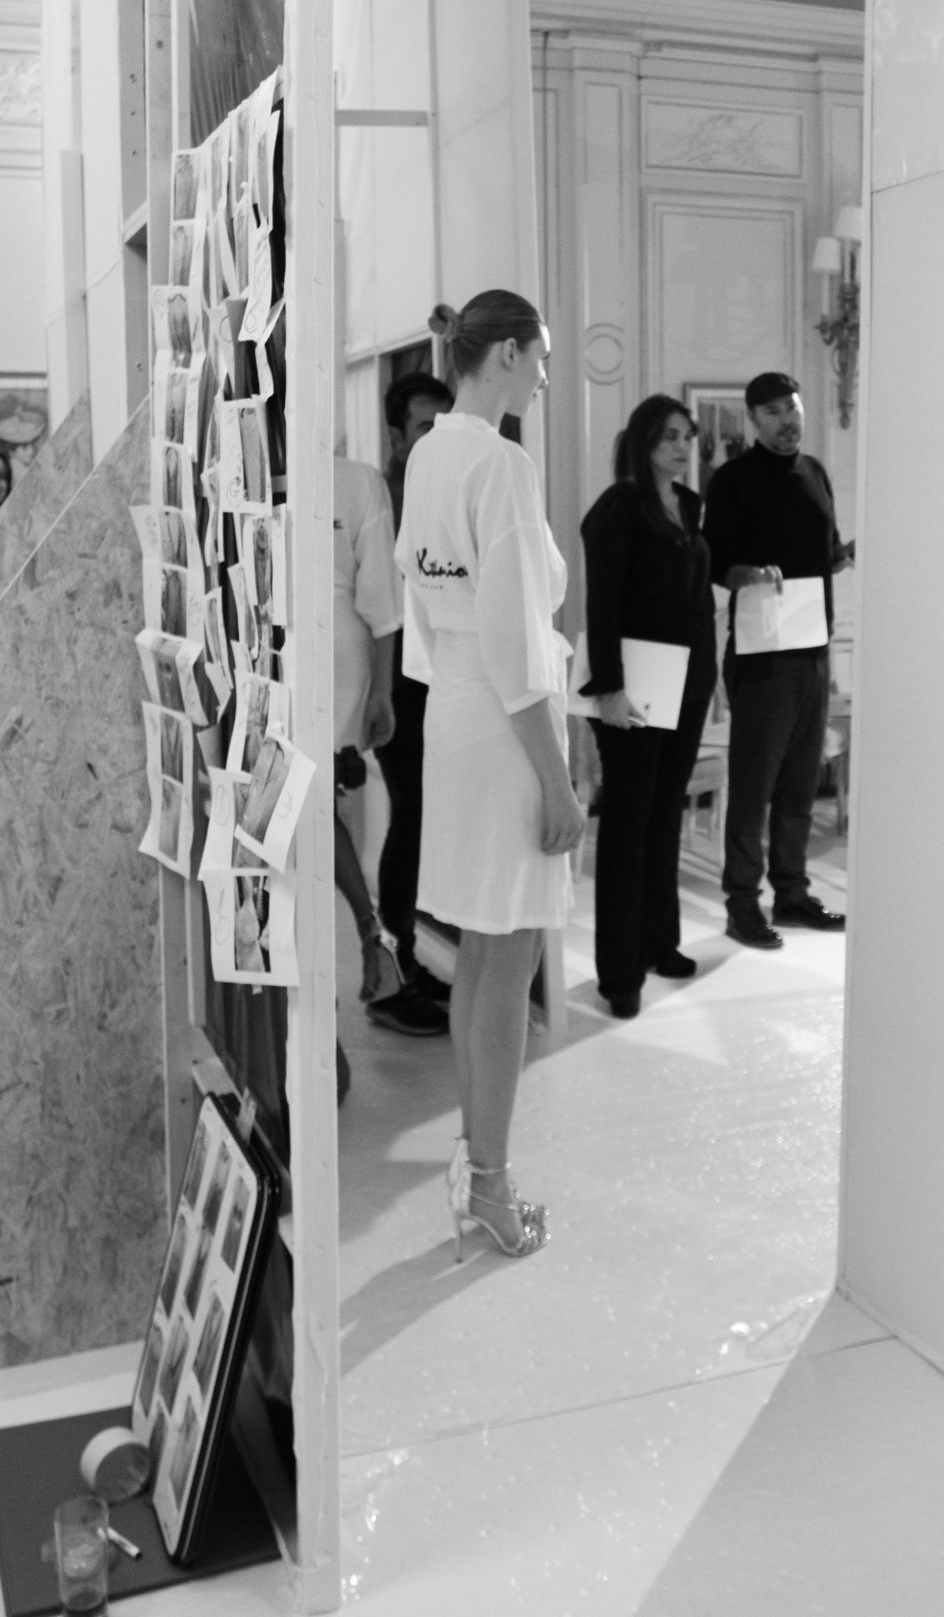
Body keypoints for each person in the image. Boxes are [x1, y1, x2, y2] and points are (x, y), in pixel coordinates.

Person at [396, 290, 584, 1258]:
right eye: (540, 357)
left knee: (479, 951)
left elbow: (426, 616)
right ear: (505, 353)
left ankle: (477, 1168)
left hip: (456, 711)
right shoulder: (502, 463)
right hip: (507, 718)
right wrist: (556, 777)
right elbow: (515, 635)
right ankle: (494, 1185)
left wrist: (467, 691)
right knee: (508, 960)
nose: (546, 376)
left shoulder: (430, 452)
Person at [701, 371, 853, 948]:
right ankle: (742, 904)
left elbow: (824, 554)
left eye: (791, 408)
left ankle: (791, 894)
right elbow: (716, 563)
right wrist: (750, 574)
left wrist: (849, 554)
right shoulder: (732, 480)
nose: (787, 421)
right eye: (772, 413)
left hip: (813, 647)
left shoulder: (815, 473)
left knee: (799, 783)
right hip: (762, 654)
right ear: (753, 421)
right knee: (754, 786)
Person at [580, 396, 718, 1019]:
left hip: (687, 682)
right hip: (632, 687)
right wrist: (608, 688)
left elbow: (696, 598)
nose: (681, 447)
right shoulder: (616, 509)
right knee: (627, 825)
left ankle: (661, 943)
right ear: (643, 443)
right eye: (669, 437)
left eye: (687, 436)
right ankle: (620, 973)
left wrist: (707, 674)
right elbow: (603, 602)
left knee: (666, 815)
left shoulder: (688, 504)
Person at [333, 454, 446, 1038]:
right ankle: (383, 951)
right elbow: (382, 603)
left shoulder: (360, 483)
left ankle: (391, 953)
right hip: (373, 679)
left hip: (412, 675)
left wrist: (379, 693)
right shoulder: (374, 489)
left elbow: (384, 602)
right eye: (422, 428)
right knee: (399, 813)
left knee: (410, 817)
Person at [374, 371, 455, 1007]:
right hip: (401, 685)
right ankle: (399, 958)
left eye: (444, 425)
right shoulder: (385, 502)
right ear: (398, 438)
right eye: (425, 426)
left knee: (439, 820)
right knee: (413, 814)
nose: (437, 437)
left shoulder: (455, 489)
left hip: (453, 680)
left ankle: (424, 954)